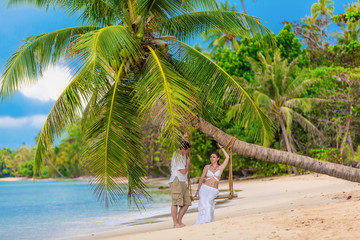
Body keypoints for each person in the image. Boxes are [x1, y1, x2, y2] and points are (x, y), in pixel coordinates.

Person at [194, 143, 229, 224]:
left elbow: (228, 157)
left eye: (214, 157)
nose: (211, 158)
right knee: (202, 204)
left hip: (214, 190)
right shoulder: (207, 167)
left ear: (218, 158)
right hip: (204, 188)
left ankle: (208, 221)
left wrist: (222, 148)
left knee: (208, 202)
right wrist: (198, 190)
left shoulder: (221, 167)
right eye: (211, 157)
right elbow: (201, 178)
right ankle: (202, 221)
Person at [169, 141, 192, 228]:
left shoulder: (183, 155)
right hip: (176, 180)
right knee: (175, 202)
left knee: (187, 203)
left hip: (183, 181)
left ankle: (179, 221)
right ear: (183, 149)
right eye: (187, 150)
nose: (188, 152)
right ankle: (175, 223)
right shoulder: (177, 155)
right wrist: (188, 164)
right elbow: (183, 171)